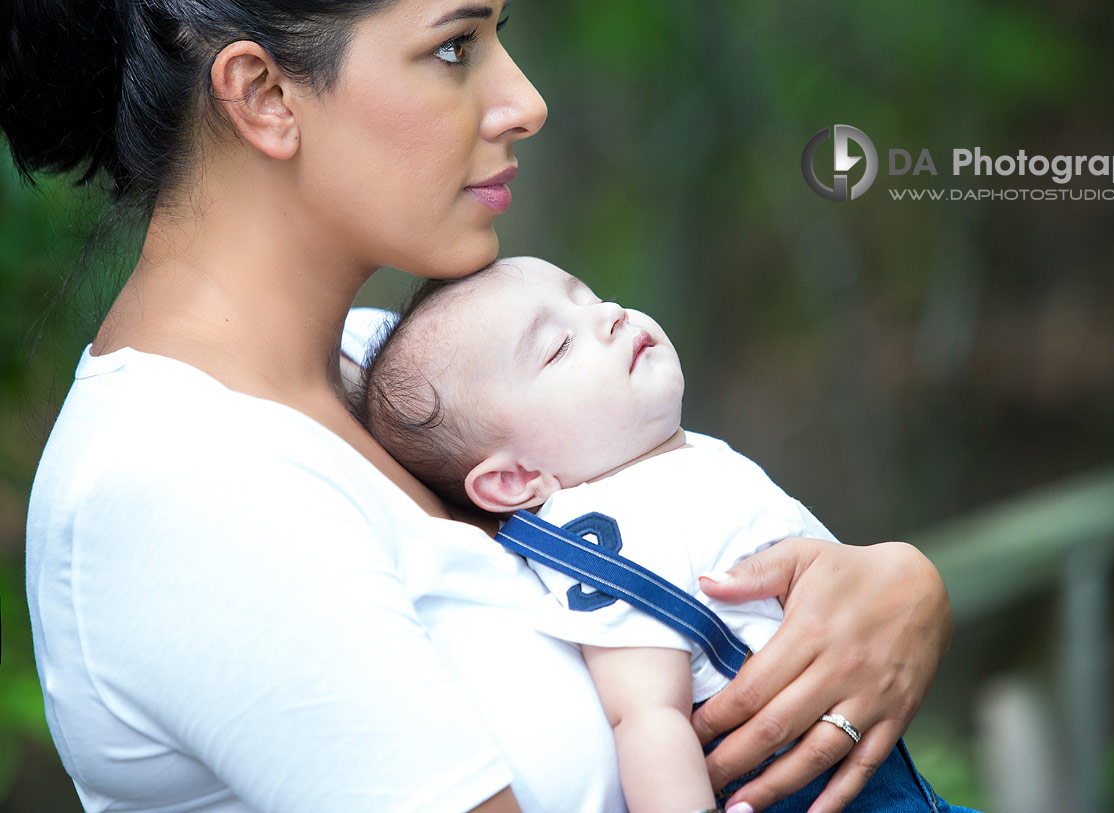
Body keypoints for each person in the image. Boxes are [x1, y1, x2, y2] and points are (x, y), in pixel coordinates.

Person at [5, 1, 954, 811]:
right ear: (264, 94)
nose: (526, 102)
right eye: (454, 47)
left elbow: (672, 525)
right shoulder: (181, 490)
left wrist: (891, 591)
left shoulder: (376, 362)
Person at [355, 257, 970, 813]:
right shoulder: (611, 531)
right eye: (558, 346)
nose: (609, 317)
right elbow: (646, 715)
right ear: (516, 479)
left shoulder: (670, 469)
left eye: (591, 296)